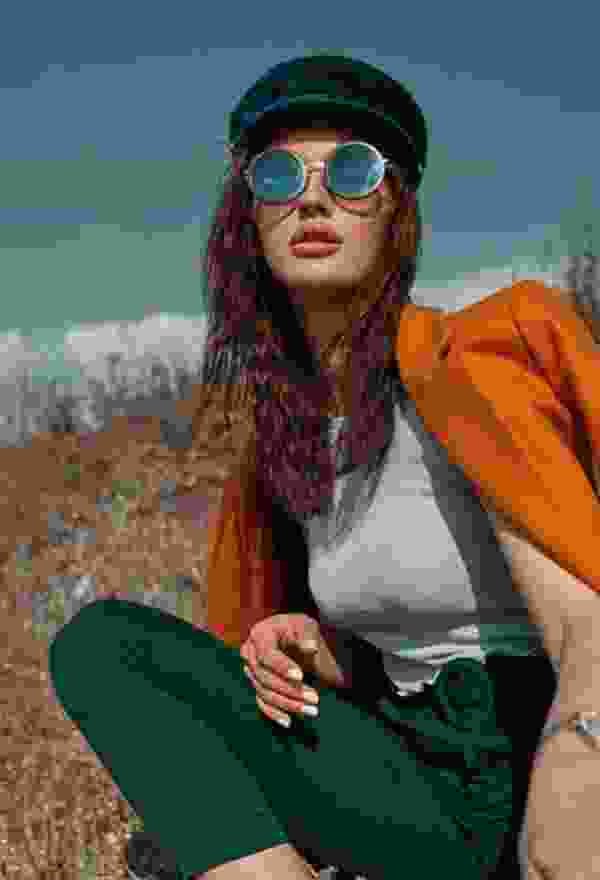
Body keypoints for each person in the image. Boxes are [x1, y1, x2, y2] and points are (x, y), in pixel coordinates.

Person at [48, 54, 600, 880]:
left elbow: (582, 621)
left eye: (353, 171)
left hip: (522, 763)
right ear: (248, 218)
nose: (313, 199)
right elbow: (392, 634)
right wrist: (315, 650)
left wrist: (580, 759)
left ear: (396, 207)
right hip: (413, 774)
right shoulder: (290, 435)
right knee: (106, 648)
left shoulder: (467, 373)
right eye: (278, 175)